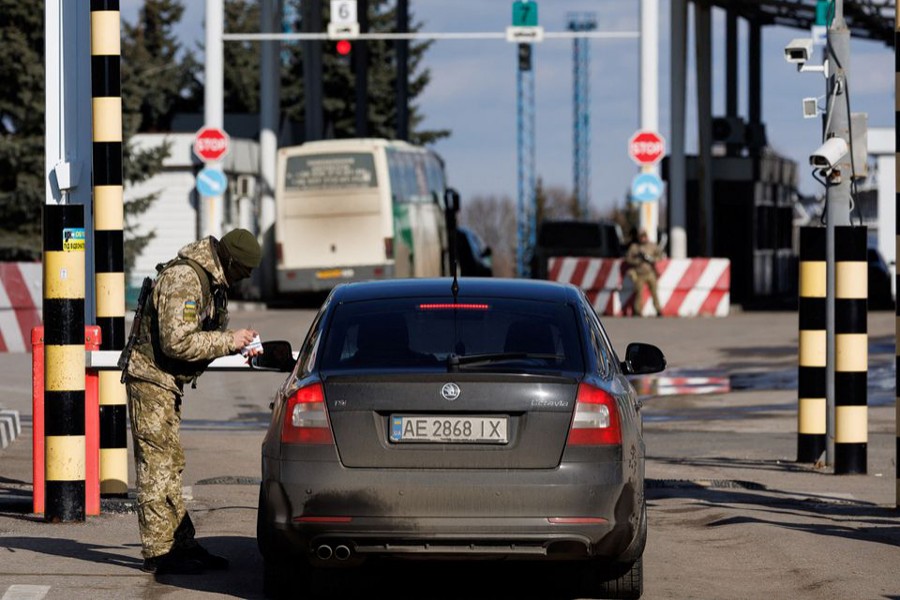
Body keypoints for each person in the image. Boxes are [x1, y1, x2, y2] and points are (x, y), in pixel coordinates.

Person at [123, 229, 263, 575]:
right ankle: (159, 551)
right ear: (228, 262)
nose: (239, 281)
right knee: (156, 466)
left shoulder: (205, 279)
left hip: (165, 381)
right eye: (240, 273)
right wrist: (228, 341)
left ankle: (180, 544)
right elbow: (176, 343)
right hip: (151, 378)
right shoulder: (185, 278)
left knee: (171, 463)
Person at [624, 229, 664, 317]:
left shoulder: (652, 246)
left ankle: (658, 310)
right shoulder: (634, 247)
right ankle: (638, 311)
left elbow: (660, 256)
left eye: (644, 237)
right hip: (639, 273)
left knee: (654, 292)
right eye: (641, 237)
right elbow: (628, 259)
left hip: (650, 272)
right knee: (639, 293)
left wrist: (651, 259)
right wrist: (638, 261)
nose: (643, 239)